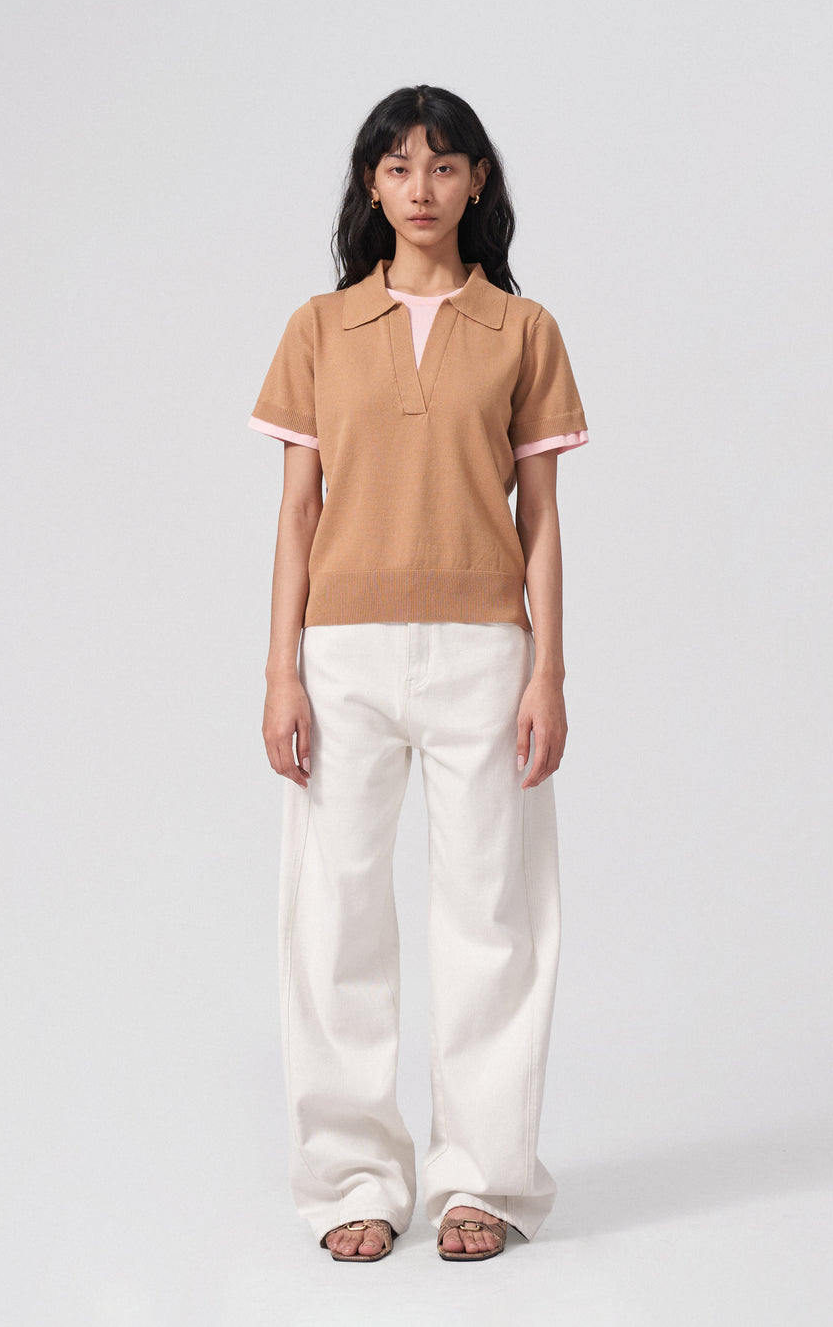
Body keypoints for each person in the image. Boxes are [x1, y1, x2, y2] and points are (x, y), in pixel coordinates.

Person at [249, 85, 589, 1262]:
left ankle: (481, 1179)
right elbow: (298, 514)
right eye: (398, 168)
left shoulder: (524, 330)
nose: (422, 188)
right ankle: (352, 1178)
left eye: (445, 166)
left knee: (491, 917)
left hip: (485, 653)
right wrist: (280, 673)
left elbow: (541, 519)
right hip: (341, 656)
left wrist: (549, 672)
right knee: (333, 918)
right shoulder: (318, 328)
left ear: (478, 180)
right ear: (372, 185)